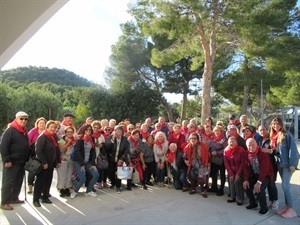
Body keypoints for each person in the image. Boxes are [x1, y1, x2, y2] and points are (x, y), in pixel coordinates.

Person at [269, 117, 299, 218]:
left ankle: (291, 209)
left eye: (277, 123)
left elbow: (293, 150)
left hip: (287, 165)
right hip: (280, 164)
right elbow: (276, 151)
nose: (275, 125)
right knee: (284, 186)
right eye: (274, 124)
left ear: (281, 124)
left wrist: (293, 164)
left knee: (285, 186)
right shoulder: (274, 136)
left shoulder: (286, 135)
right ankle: (287, 206)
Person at [0, 111, 30, 210]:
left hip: (21, 162)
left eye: (26, 119)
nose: (24, 121)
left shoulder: (24, 130)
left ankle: (14, 198)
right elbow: (4, 146)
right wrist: (7, 160)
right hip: (11, 162)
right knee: (8, 183)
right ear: (16, 119)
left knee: (18, 181)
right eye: (21, 118)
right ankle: (4, 202)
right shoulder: (10, 130)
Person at [33, 120, 61, 207]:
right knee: (40, 182)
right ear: (47, 127)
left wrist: (58, 161)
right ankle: (36, 199)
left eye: (54, 127)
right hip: (43, 164)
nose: (53, 129)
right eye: (51, 127)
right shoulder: (43, 137)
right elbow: (38, 151)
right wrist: (44, 162)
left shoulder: (54, 137)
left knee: (48, 181)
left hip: (51, 164)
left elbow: (57, 150)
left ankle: (45, 197)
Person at [243, 138, 274, 215]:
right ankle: (253, 203)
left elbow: (265, 170)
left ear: (256, 144)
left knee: (259, 188)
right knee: (246, 185)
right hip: (254, 175)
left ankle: (264, 208)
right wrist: (246, 179)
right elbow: (245, 168)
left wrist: (259, 182)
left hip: (265, 175)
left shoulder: (263, 153)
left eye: (253, 145)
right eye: (249, 145)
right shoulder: (245, 154)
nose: (251, 147)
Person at [70, 125, 99, 198]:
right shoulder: (79, 139)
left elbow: (93, 152)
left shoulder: (91, 139)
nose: (88, 131)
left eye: (90, 130)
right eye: (86, 130)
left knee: (96, 175)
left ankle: (88, 191)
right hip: (78, 162)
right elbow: (77, 152)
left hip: (87, 162)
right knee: (83, 179)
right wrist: (82, 164)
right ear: (83, 130)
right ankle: (75, 191)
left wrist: (93, 164)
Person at [257, 125, 279, 210]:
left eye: (264, 130)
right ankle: (271, 199)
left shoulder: (272, 140)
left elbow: (276, 151)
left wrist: (269, 151)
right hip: (263, 166)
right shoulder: (259, 140)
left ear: (267, 130)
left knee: (271, 183)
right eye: (260, 130)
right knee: (266, 182)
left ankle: (275, 200)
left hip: (272, 165)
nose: (262, 132)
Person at [183, 132, 210, 198]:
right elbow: (184, 155)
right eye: (191, 138)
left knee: (201, 179)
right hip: (192, 163)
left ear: (198, 139)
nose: (193, 140)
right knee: (191, 176)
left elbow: (208, 156)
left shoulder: (202, 146)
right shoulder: (188, 146)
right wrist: (185, 160)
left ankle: (202, 191)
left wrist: (208, 165)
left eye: (194, 138)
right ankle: (193, 189)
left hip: (201, 164)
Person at [105, 125, 130, 193]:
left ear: (122, 132)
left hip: (120, 158)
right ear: (114, 131)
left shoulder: (125, 139)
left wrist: (121, 159)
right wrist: (112, 139)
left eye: (120, 131)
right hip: (111, 158)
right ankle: (113, 183)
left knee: (119, 173)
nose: (118, 132)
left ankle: (118, 186)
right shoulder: (111, 137)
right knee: (111, 172)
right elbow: (106, 147)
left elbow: (126, 150)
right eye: (117, 131)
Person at [27, 117, 47, 194]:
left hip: (44, 155)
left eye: (43, 123)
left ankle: (40, 188)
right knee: (32, 171)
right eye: (40, 123)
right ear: (37, 124)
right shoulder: (33, 131)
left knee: (42, 172)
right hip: (34, 154)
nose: (42, 124)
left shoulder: (46, 132)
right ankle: (30, 186)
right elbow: (28, 141)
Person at [223, 136, 245, 206]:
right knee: (231, 180)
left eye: (233, 142)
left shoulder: (241, 150)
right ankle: (232, 197)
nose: (231, 143)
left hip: (240, 169)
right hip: (231, 169)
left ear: (236, 142)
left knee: (237, 181)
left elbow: (243, 163)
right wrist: (230, 173)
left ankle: (240, 198)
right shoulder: (226, 151)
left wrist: (238, 174)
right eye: (230, 142)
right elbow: (226, 163)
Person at [208, 125, 227, 196]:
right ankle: (214, 187)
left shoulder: (224, 139)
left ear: (221, 131)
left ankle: (221, 189)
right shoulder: (213, 138)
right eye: (216, 130)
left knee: (222, 175)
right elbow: (210, 147)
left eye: (218, 131)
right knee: (214, 174)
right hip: (213, 159)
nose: (217, 132)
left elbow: (226, 149)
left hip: (221, 159)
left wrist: (217, 153)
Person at [57, 126, 76, 197]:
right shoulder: (62, 140)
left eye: (71, 132)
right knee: (62, 175)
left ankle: (67, 188)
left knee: (69, 175)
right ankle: (61, 189)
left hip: (71, 160)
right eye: (68, 132)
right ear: (65, 133)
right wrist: (68, 143)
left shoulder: (74, 140)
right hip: (63, 160)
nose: (70, 133)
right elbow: (61, 150)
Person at [92, 121, 107, 189]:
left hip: (99, 154)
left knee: (100, 169)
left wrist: (101, 145)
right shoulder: (90, 134)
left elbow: (104, 143)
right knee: (93, 169)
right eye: (94, 127)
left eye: (98, 128)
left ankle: (100, 182)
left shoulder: (101, 136)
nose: (96, 129)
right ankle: (94, 183)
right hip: (91, 154)